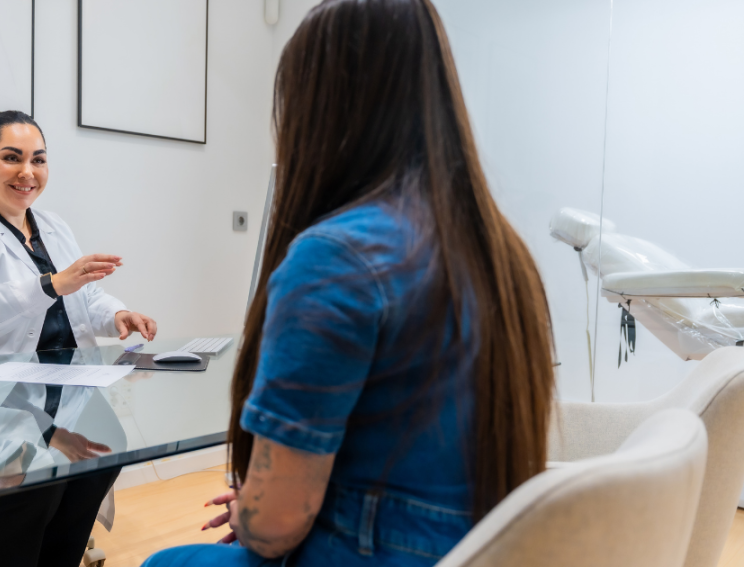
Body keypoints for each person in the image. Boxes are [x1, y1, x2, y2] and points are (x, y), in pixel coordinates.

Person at [142, 0, 555, 565]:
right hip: (471, 548)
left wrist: (254, 509)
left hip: (373, 553)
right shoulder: (499, 249)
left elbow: (275, 528)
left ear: (322, 111)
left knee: (164, 562)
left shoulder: (336, 259)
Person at [0, 110, 157, 567]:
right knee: (37, 474)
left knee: (105, 449)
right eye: (11, 158)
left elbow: (86, 297)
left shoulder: (53, 227)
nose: (27, 172)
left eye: (38, 159)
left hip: (66, 384)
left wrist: (118, 314)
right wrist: (50, 284)